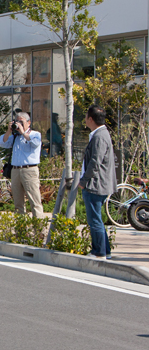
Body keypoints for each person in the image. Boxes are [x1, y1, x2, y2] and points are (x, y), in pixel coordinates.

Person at [80, 105, 117, 259]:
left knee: (94, 220)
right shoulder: (101, 134)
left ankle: (99, 252)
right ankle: (105, 251)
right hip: (98, 183)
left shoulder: (99, 136)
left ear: (90, 119)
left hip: (95, 184)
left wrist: (83, 181)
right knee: (97, 219)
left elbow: (95, 162)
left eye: (86, 117)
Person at [0, 112, 44, 218]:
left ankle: (38, 224)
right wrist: (9, 131)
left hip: (29, 170)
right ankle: (20, 224)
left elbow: (35, 143)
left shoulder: (35, 134)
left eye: (21, 121)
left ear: (29, 122)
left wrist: (23, 132)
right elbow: (3, 143)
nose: (19, 124)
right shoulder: (15, 137)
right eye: (17, 121)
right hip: (15, 170)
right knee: (18, 201)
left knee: (34, 199)